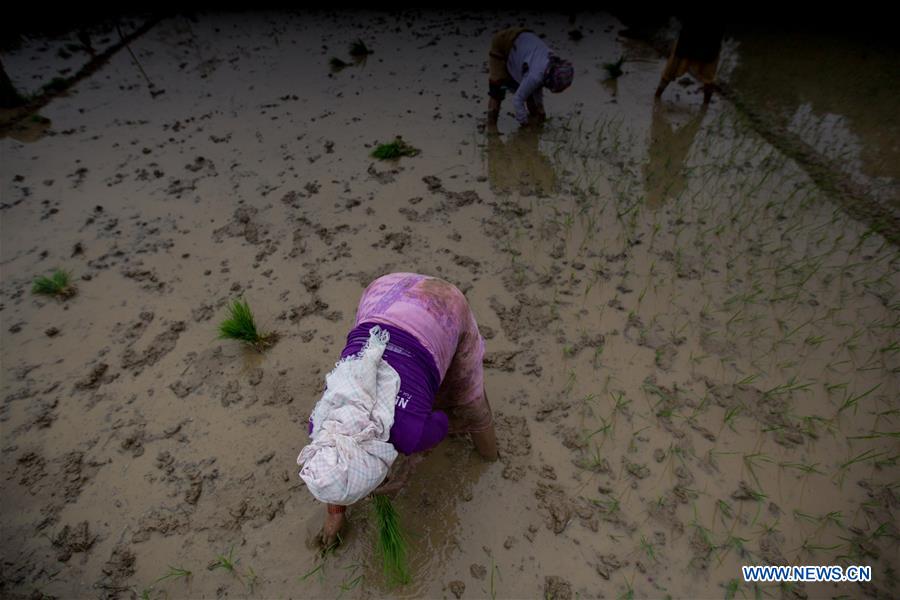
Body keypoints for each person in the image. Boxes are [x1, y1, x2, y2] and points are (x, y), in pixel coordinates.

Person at [297, 273, 499, 548]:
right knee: (425, 387)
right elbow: (337, 455)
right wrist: (334, 516)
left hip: (443, 307)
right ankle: (489, 456)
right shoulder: (320, 423)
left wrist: (413, 451)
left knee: (468, 401)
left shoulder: (408, 434)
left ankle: (490, 458)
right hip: (382, 293)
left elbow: (442, 421)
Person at [487, 27, 574, 127]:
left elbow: (538, 86)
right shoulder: (536, 75)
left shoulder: (552, 60)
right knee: (497, 91)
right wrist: (524, 124)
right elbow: (517, 99)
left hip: (523, 40)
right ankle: (491, 130)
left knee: (530, 94)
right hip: (502, 43)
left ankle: (534, 122)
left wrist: (540, 108)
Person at [654, 13, 724, 105]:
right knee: (672, 68)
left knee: (708, 75)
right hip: (696, 36)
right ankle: (704, 108)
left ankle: (705, 106)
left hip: (705, 37)